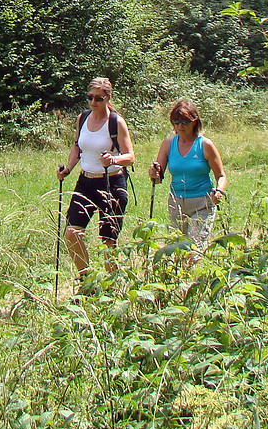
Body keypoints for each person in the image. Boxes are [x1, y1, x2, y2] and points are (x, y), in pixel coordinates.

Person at [56, 77, 135, 278]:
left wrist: (114, 159)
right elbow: (77, 146)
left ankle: (111, 287)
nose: (93, 102)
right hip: (85, 182)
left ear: (108, 97)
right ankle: (86, 279)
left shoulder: (116, 122)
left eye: (98, 98)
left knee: (108, 240)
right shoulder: (83, 118)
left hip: (111, 183)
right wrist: (68, 169)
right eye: (90, 97)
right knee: (71, 234)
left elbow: (130, 157)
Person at [149, 99, 226, 249]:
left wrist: (219, 191)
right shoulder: (168, 143)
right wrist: (153, 173)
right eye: (176, 122)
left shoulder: (205, 145)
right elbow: (158, 178)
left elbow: (221, 175)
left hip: (202, 203)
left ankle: (196, 271)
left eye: (184, 122)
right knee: (180, 247)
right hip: (176, 202)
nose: (180, 126)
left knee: (195, 248)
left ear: (194, 122)